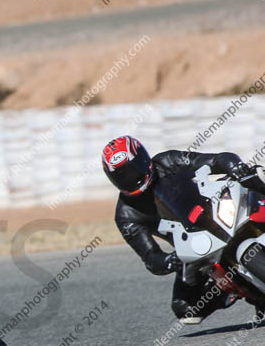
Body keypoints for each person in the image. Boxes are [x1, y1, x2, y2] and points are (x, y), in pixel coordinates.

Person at [102, 135, 259, 324]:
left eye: (132, 170)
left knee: (254, 179)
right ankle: (244, 292)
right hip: (194, 247)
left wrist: (233, 165)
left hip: (215, 212)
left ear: (143, 160)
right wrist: (170, 261)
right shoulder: (126, 216)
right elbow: (151, 258)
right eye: (122, 176)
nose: (130, 178)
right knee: (186, 308)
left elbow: (215, 160)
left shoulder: (168, 161)